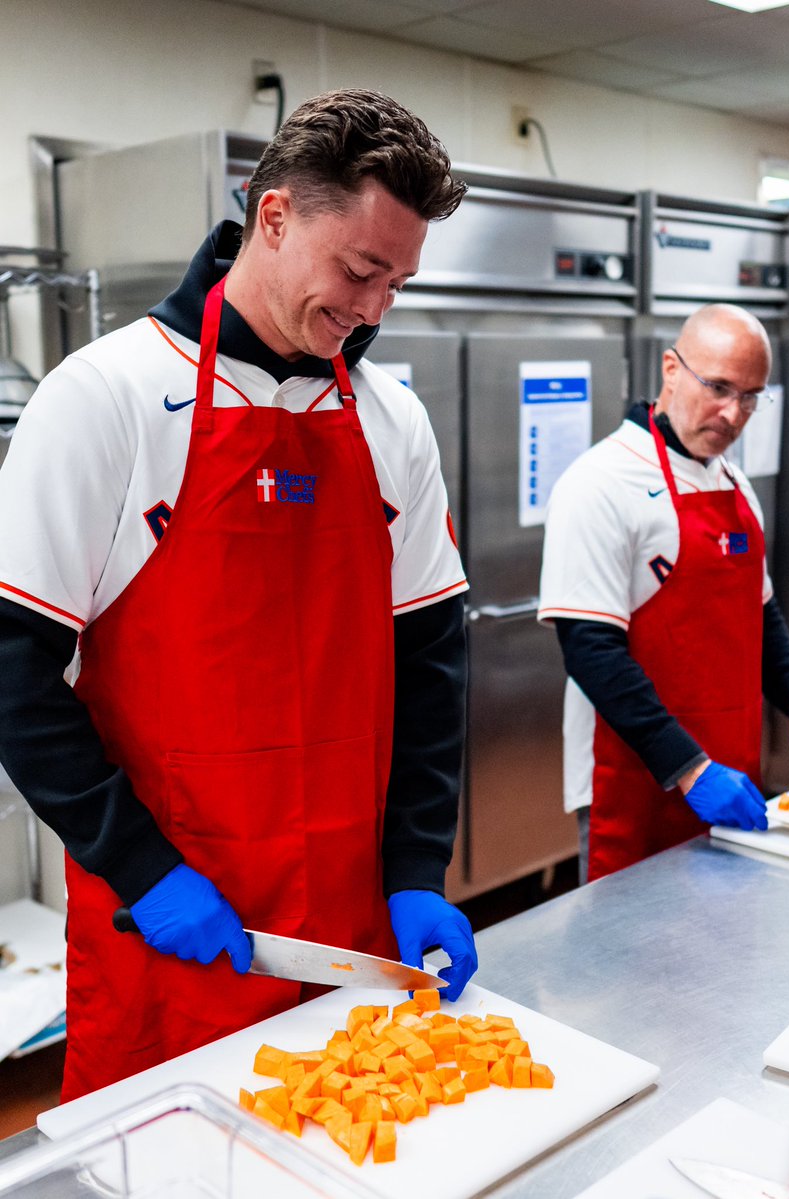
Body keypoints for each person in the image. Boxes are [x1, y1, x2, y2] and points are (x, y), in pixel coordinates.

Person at [0, 89, 478, 1101]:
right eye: (358, 269)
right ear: (272, 218)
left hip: (345, 933)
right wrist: (137, 865)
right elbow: (9, 663)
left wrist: (416, 868)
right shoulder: (107, 397)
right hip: (176, 931)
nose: (375, 309)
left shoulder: (391, 421)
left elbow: (430, 663)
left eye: (398, 281)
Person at [539, 303, 789, 883]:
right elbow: (591, 652)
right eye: (720, 388)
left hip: (733, 781)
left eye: (752, 397)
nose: (734, 414)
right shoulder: (601, 483)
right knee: (627, 964)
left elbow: (763, 622)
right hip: (636, 786)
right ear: (672, 369)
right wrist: (690, 770)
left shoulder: (732, 482)